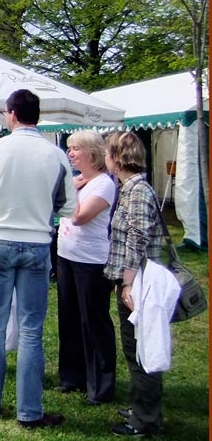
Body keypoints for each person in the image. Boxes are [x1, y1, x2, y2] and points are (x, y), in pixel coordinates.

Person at [0, 89, 76, 428]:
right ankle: (29, 410)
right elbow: (69, 206)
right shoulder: (55, 154)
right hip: (36, 243)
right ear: (37, 116)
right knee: (31, 329)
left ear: (12, 114)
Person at [103, 131, 166, 437]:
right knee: (134, 348)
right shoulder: (129, 189)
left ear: (117, 158)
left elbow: (137, 240)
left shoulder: (138, 191)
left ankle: (146, 419)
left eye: (107, 153)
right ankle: (141, 407)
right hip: (133, 281)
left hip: (139, 283)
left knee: (142, 349)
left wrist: (127, 284)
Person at [55, 130, 117, 405]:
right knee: (68, 317)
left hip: (91, 262)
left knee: (93, 321)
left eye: (75, 148)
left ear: (92, 153)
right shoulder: (79, 181)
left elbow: (78, 216)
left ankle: (100, 385)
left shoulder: (103, 184)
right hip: (66, 255)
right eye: (69, 148)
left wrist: (69, 192)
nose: (70, 153)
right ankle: (72, 376)